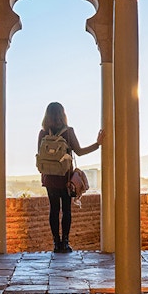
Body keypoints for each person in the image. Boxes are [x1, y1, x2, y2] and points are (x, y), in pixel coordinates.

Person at [39, 102, 102, 254]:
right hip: (65, 178)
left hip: (49, 178)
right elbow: (79, 151)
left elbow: (40, 156)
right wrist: (97, 144)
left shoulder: (43, 133)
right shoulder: (68, 132)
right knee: (66, 210)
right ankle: (65, 243)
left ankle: (56, 243)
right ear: (63, 114)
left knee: (54, 210)